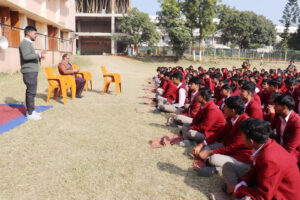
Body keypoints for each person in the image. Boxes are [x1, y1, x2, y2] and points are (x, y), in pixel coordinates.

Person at [226, 118, 300, 200]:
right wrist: (241, 185)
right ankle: (234, 191)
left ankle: (235, 192)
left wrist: (238, 189)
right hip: (265, 183)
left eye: (243, 136)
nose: (242, 139)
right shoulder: (265, 144)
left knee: (246, 198)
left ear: (251, 141)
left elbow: (263, 196)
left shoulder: (270, 160)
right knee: (228, 167)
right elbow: (255, 170)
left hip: (279, 195)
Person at [193, 96, 252, 178]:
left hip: (239, 156)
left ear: (233, 110)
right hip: (227, 147)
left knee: (213, 158)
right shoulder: (232, 118)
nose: (223, 108)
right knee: (206, 147)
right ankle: (209, 163)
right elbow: (219, 134)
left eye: (225, 107)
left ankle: (215, 168)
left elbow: (232, 148)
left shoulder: (245, 123)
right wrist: (201, 144)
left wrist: (209, 153)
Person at [19, 26, 46, 120]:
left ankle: (31, 110)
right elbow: (26, 57)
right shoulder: (24, 43)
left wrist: (38, 56)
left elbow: (29, 56)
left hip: (32, 71)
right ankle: (30, 113)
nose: (36, 36)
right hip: (29, 72)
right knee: (31, 92)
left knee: (32, 92)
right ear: (28, 33)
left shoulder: (28, 43)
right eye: (35, 34)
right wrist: (38, 54)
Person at [271, 94, 300, 166]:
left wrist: (274, 155)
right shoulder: (279, 117)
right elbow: (269, 127)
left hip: (293, 154)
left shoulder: (297, 123)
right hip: (279, 147)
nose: (274, 107)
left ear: (284, 107)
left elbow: (290, 148)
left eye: (276, 105)